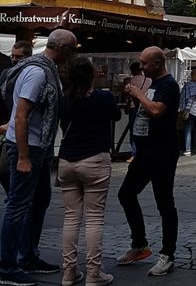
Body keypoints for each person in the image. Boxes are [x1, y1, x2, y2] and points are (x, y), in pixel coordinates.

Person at [0, 28, 78, 286]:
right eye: (72, 49)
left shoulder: (46, 69)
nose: (72, 54)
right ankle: (6, 266)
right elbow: (22, 114)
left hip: (39, 147)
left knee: (40, 200)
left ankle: (27, 256)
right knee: (18, 205)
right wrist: (23, 156)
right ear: (62, 48)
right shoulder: (37, 72)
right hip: (28, 147)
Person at [117, 47, 180, 277]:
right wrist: (135, 97)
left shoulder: (169, 85)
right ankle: (139, 243)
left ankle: (167, 254)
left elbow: (156, 110)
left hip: (162, 152)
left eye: (144, 63)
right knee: (126, 194)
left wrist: (138, 94)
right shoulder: (153, 84)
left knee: (165, 203)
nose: (141, 67)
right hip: (145, 151)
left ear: (157, 63)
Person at [58, 57, 121, 286]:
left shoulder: (64, 98)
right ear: (93, 75)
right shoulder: (104, 98)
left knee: (70, 218)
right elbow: (116, 115)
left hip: (67, 160)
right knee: (94, 219)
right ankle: (94, 274)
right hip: (95, 160)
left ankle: (68, 272)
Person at [0, 41, 33, 195]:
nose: (14, 59)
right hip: (7, 123)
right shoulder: (7, 74)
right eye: (12, 56)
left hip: (20, 125)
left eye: (18, 57)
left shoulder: (32, 75)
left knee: (7, 168)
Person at [124, 61, 151, 162]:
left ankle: (134, 153)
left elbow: (125, 94)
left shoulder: (130, 81)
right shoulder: (149, 80)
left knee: (133, 131)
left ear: (132, 71)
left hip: (134, 108)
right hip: (146, 106)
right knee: (145, 130)